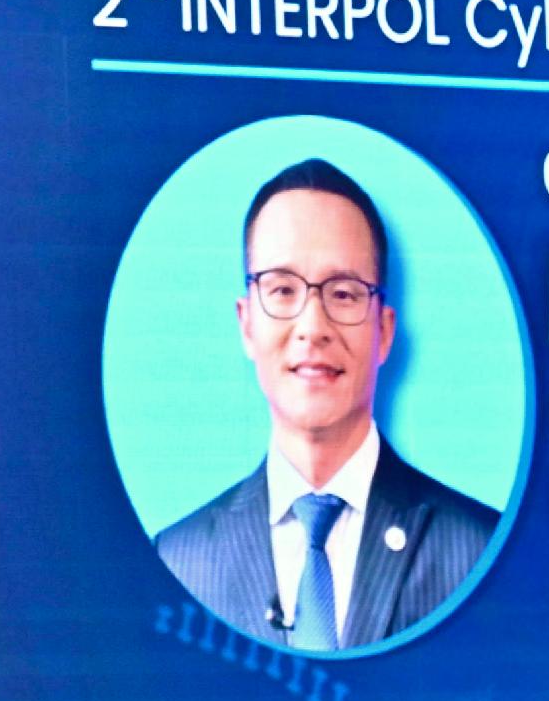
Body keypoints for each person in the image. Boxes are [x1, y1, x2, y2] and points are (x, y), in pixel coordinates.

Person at [155, 158, 498, 651]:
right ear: (246, 324)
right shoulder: (179, 560)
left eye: (343, 293)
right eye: (282, 290)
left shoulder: (478, 551)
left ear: (383, 331)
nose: (312, 326)